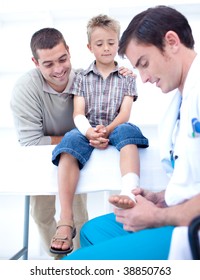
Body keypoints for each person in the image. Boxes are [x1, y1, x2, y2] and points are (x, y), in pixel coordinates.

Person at [62, 5, 200, 260]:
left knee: (74, 263)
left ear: (171, 42)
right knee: (92, 231)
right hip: (177, 209)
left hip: (191, 230)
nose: (144, 78)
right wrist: (161, 198)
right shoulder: (178, 101)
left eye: (144, 63)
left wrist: (158, 216)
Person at [50, 14, 149, 255]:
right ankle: (65, 219)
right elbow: (78, 112)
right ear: (89, 47)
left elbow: (125, 113)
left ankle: (129, 192)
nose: (106, 48)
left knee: (128, 133)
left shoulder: (126, 77)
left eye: (111, 42)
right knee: (70, 141)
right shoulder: (82, 77)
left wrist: (109, 129)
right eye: (99, 43)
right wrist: (89, 132)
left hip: (116, 125)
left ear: (118, 44)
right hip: (88, 128)